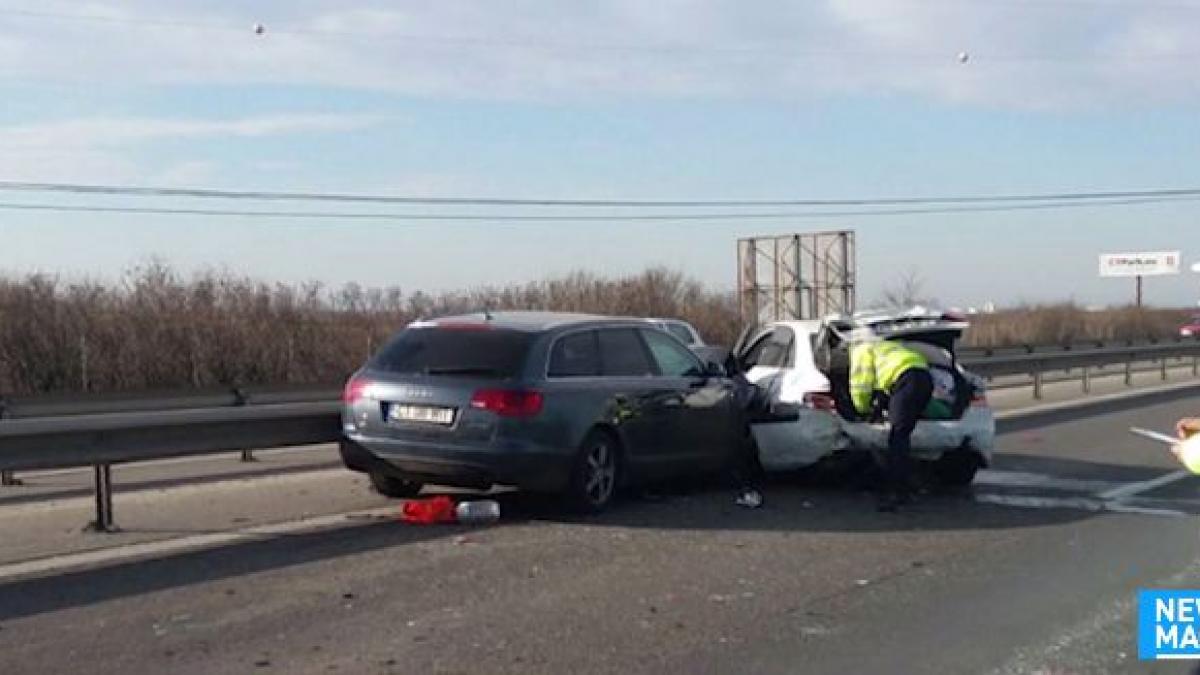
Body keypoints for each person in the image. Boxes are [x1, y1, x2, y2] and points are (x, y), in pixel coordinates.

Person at [850, 338, 933, 512]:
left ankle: (896, 493)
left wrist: (862, 410)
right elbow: (884, 385)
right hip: (924, 378)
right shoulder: (887, 346)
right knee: (904, 434)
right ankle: (911, 484)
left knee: (898, 437)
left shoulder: (861, 350)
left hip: (906, 380)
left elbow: (861, 385)